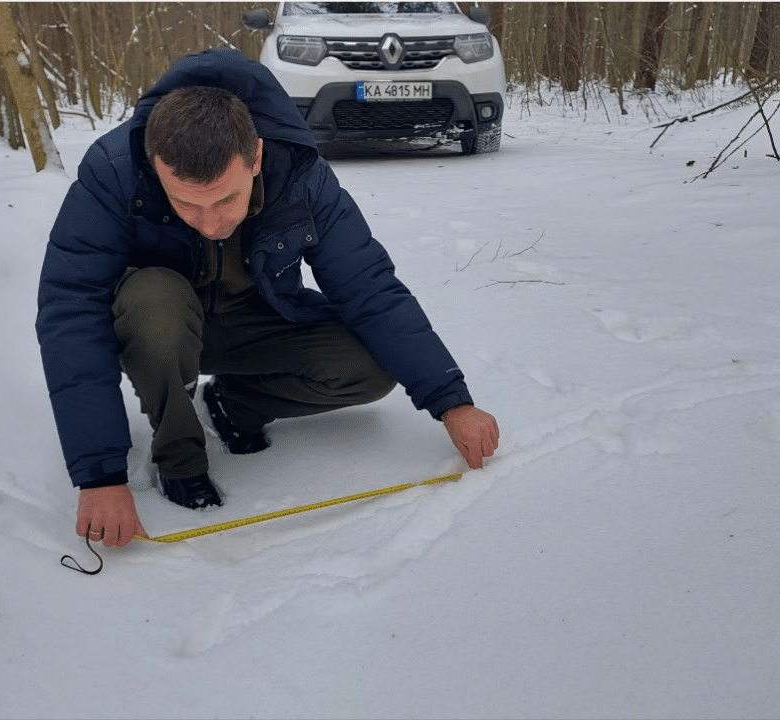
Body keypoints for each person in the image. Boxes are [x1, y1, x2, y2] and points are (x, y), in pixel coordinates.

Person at [36, 48, 500, 549]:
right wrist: (100, 475)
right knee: (155, 303)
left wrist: (452, 402)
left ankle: (234, 406)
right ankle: (180, 456)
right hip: (159, 329)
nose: (212, 223)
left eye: (226, 199)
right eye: (188, 204)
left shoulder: (301, 174)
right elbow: (71, 309)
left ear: (255, 156)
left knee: (369, 364)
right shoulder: (113, 172)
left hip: (252, 322)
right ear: (155, 165)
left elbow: (369, 286)